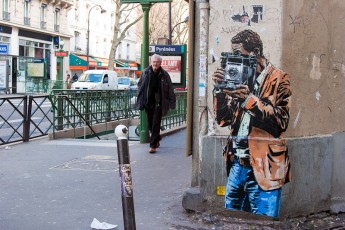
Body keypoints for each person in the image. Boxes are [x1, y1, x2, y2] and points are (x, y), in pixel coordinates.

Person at [212, 29, 292, 218]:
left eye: (238, 54)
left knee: (263, 222)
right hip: (236, 164)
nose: (233, 59)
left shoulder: (279, 78)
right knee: (232, 220)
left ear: (255, 53)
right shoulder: (239, 78)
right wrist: (219, 91)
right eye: (232, 54)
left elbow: (281, 120)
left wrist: (249, 100)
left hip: (265, 167)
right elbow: (223, 120)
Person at [135, 54, 176, 153]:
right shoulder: (145, 72)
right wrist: (140, 96)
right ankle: (157, 139)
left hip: (159, 103)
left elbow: (170, 89)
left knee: (155, 123)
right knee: (150, 124)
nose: (155, 64)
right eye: (154, 62)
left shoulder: (164, 74)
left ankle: (152, 146)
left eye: (157, 62)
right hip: (148, 102)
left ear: (160, 63)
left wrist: (172, 102)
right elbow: (140, 84)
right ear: (151, 62)